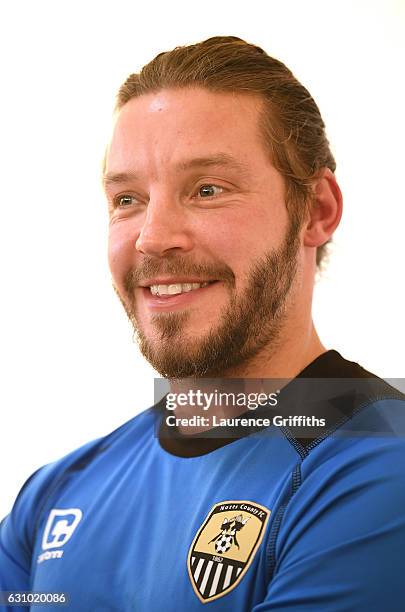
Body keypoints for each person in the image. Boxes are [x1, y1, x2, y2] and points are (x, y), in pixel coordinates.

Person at [1, 35, 405, 611]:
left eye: (207, 189)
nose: (153, 237)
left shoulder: (382, 468)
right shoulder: (55, 495)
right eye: (127, 199)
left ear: (317, 210)